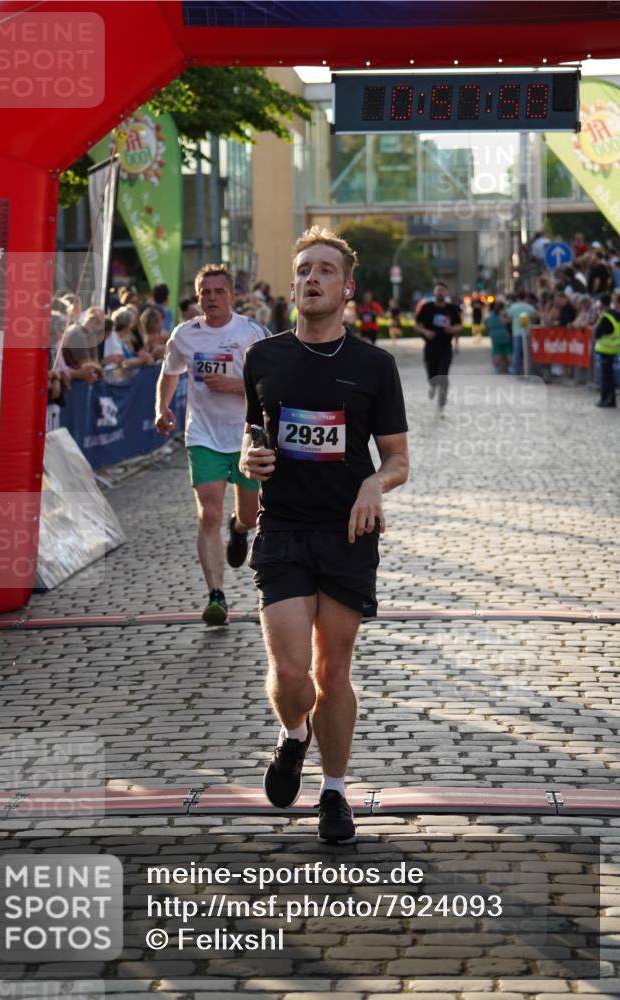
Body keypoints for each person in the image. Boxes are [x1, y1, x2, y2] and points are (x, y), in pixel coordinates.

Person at [240, 227, 409, 844]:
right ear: (294, 283)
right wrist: (248, 462)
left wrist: (374, 486)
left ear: (347, 288)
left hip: (346, 531)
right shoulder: (264, 357)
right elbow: (253, 437)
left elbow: (397, 459)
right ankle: (293, 735)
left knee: (333, 672)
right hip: (282, 527)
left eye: (326, 271)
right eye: (304, 268)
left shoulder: (374, 365)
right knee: (291, 671)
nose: (313, 278)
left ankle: (333, 793)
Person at [155, 264, 270, 625]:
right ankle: (216, 595)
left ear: (232, 297)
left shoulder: (251, 332)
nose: (212, 298)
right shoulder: (185, 335)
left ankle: (239, 531)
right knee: (209, 512)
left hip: (245, 436)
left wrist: (235, 385)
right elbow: (168, 373)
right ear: (198, 296)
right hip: (203, 435)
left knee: (250, 517)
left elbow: (269, 381)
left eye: (219, 292)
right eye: (206, 292)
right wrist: (161, 409)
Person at [414, 280, 462, 414]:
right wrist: (425, 332)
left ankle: (441, 404)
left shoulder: (452, 309)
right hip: (430, 347)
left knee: (443, 375)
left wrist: (452, 329)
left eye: (442, 290)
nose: (440, 292)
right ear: (434, 292)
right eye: (438, 290)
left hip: (446, 347)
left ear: (446, 292)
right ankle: (432, 385)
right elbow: (417, 325)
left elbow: (460, 325)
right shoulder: (427, 307)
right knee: (432, 373)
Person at [593, 291, 620, 408]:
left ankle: (607, 400)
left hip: (606, 350)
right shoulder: (616, 316)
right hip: (615, 349)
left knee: (606, 378)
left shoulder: (606, 317)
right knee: (609, 377)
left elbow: (598, 334)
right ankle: (610, 399)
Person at [507, 289, 538, 377]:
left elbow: (509, 318)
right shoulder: (529, 307)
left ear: (517, 297)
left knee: (516, 353)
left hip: (516, 332)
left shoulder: (513, 307)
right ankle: (528, 370)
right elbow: (535, 317)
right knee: (527, 353)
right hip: (528, 332)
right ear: (525, 297)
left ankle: (515, 371)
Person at [485, 300, 512, 373]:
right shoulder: (504, 313)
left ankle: (497, 368)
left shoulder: (489, 315)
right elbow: (507, 322)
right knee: (508, 351)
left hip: (494, 335)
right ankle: (510, 367)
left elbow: (486, 324)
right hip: (504, 334)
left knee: (497, 352)